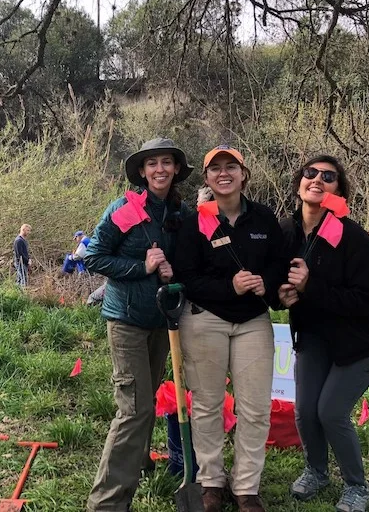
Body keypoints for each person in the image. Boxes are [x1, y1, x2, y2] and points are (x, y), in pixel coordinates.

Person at [278, 155, 369, 512]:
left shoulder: (355, 238)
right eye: (310, 173)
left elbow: (362, 300)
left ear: (338, 191)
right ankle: (316, 471)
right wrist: (278, 296)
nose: (317, 180)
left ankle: (356, 487)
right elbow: (275, 280)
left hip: (361, 339)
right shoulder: (287, 231)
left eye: (328, 177)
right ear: (299, 182)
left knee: (330, 411)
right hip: (315, 334)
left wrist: (311, 285)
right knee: (304, 410)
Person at [172, 145, 285, 512]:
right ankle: (211, 482)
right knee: (207, 405)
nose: (224, 173)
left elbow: (279, 268)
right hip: (205, 318)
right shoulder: (195, 223)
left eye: (231, 167)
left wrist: (265, 283)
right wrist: (228, 287)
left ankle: (246, 488)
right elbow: (187, 277)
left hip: (253, 322)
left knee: (255, 408)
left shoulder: (265, 219)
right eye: (215, 168)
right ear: (206, 178)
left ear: (243, 174)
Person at [85, 137, 193, 512]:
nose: (159, 169)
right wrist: (141, 268)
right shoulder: (125, 210)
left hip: (163, 323)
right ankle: (107, 503)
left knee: (145, 399)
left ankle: (140, 460)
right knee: (133, 409)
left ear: (176, 169)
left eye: (166, 162)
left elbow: (189, 263)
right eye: (152, 164)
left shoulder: (181, 213)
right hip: (127, 320)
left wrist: (172, 270)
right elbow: (94, 257)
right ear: (142, 172)